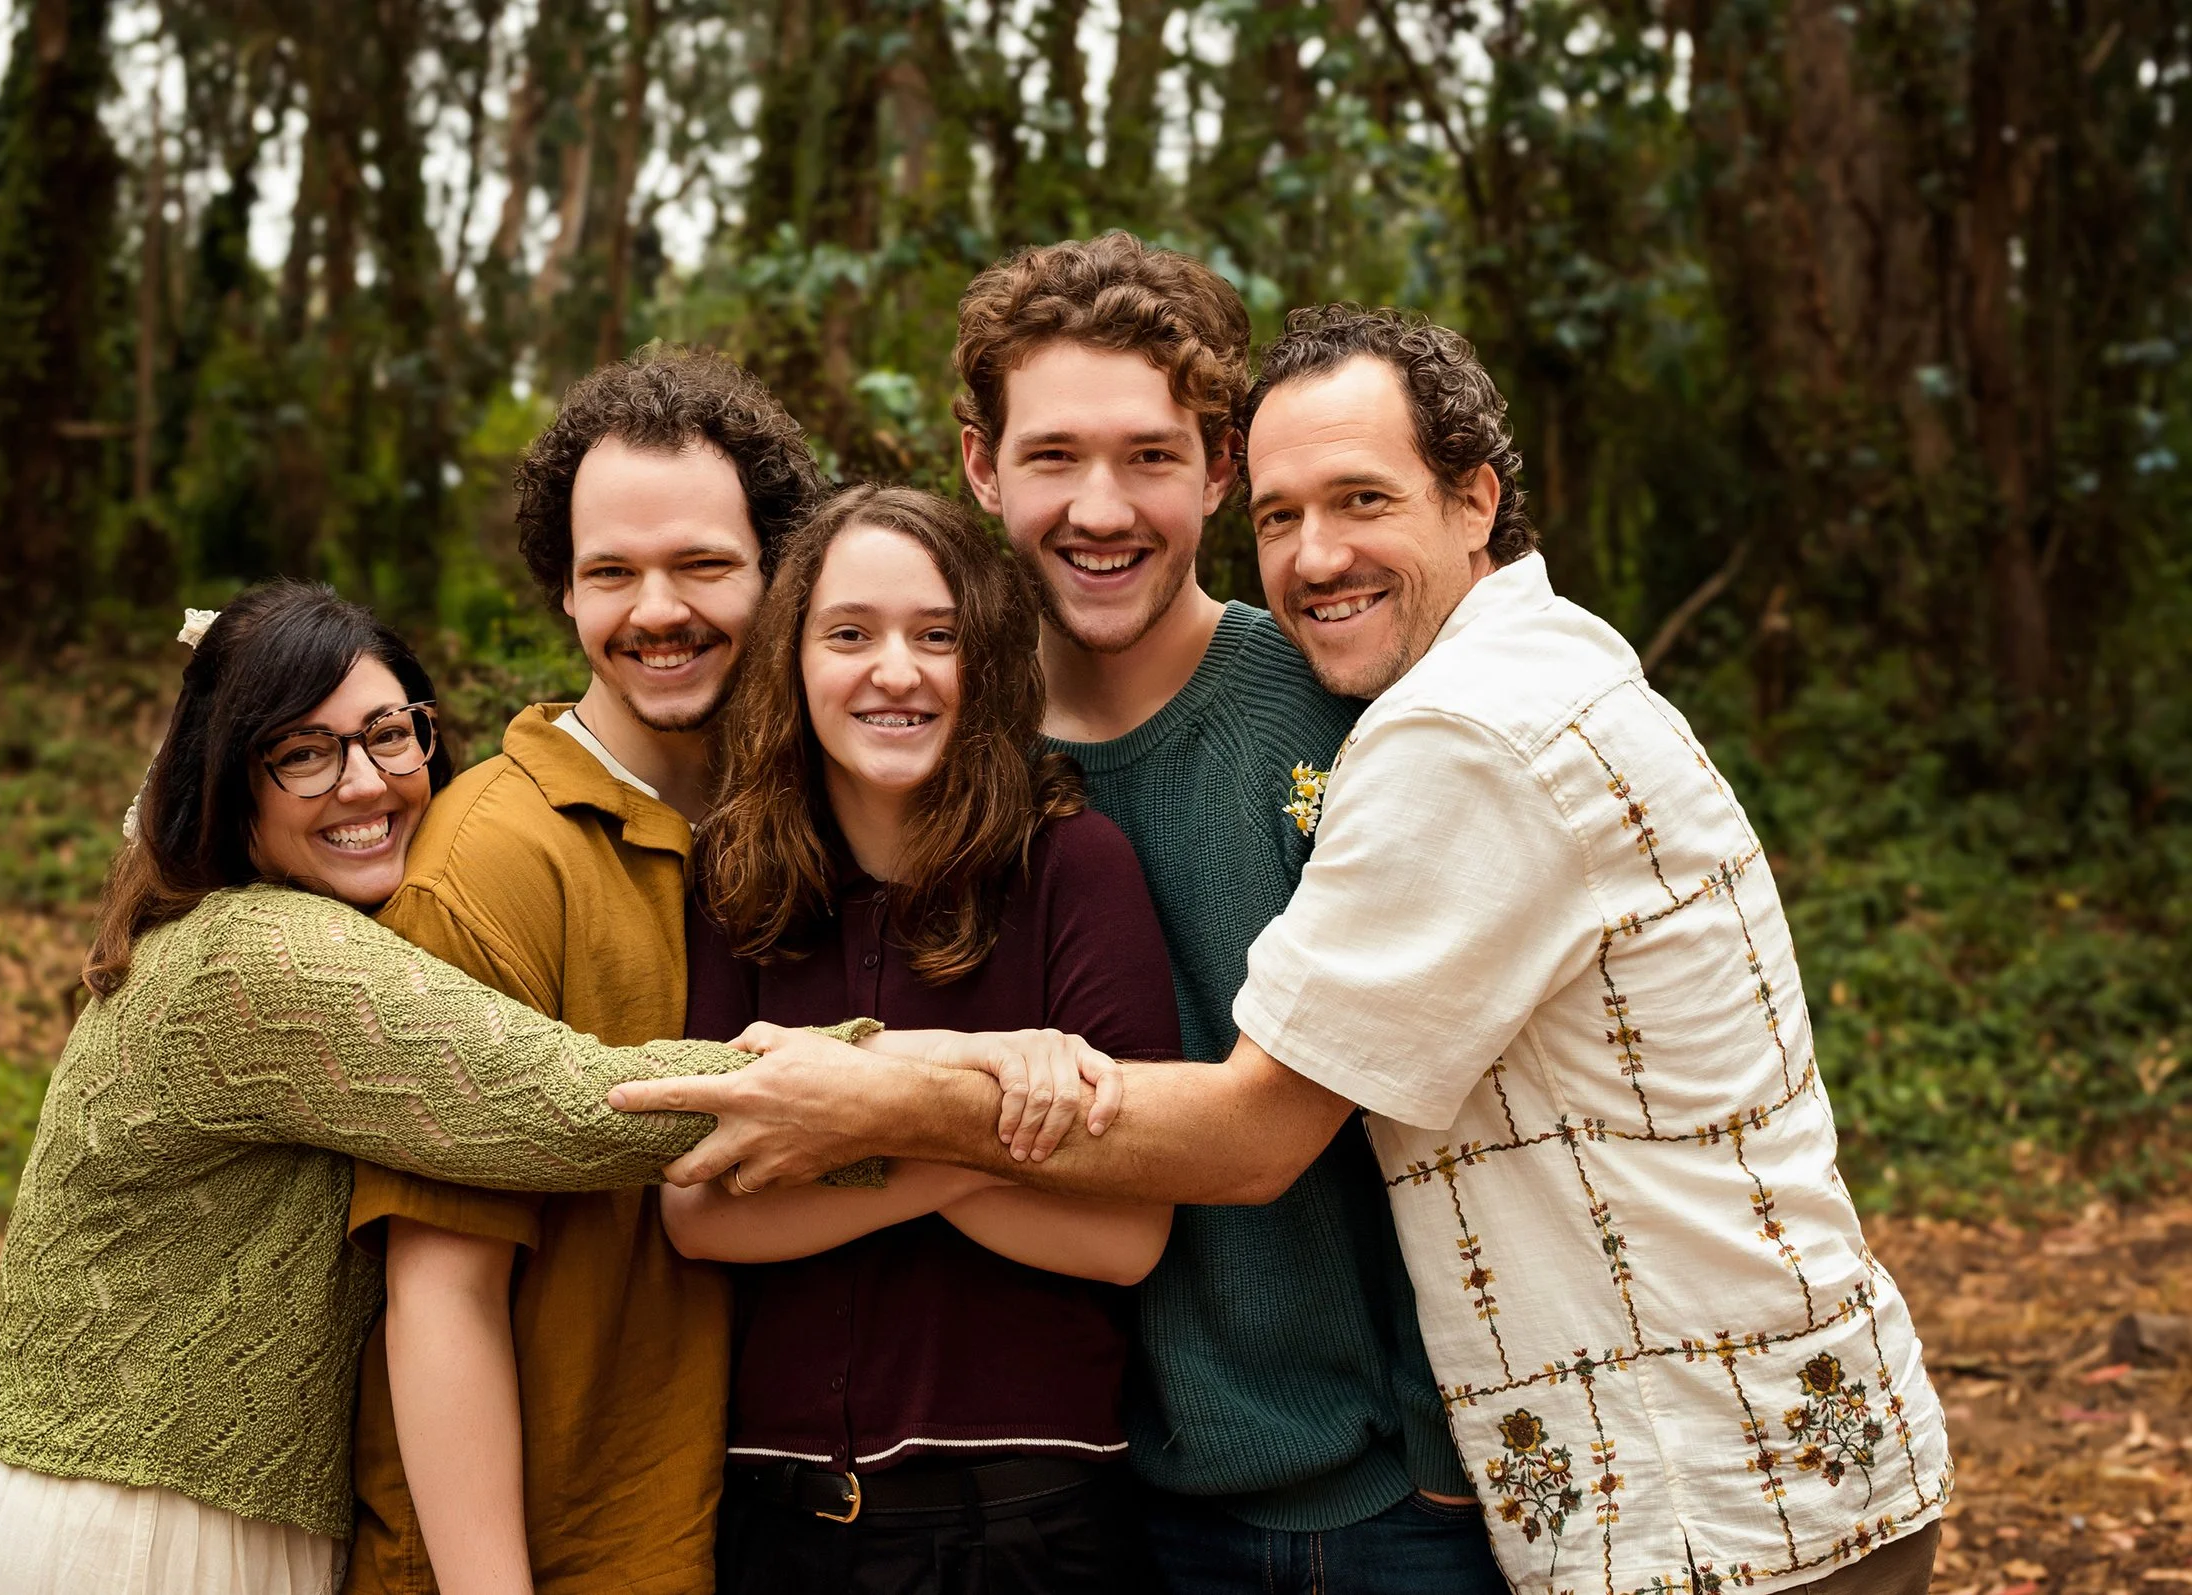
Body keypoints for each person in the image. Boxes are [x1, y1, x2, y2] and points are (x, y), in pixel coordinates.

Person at [616, 305, 1955, 1595]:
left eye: (1361, 499)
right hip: (1157, 1484)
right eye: (1288, 517)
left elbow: (1262, 1129)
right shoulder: (974, 765)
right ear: (983, 466)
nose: (1318, 555)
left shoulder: (1406, 721)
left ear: (1473, 500)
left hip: (1521, 1487)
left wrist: (892, 1097)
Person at [0, 580, 816, 1595]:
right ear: (228, 780)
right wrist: (873, 1078)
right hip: (138, 1526)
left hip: (155, 1498)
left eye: (390, 734)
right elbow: (563, 1103)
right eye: (304, 753)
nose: (365, 782)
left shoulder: (213, 928)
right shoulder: (262, 956)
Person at [955, 231, 1500, 1591]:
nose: (1100, 507)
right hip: (1087, 1492)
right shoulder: (946, 748)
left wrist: (1437, 1458)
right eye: (1051, 457)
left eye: (1150, 456)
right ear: (981, 468)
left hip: (1375, 1503)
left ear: (1218, 468)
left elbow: (1466, 1095)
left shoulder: (1331, 708)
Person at [342, 347, 829, 1595]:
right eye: (610, 571)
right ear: (562, 592)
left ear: (780, 571)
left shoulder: (811, 827)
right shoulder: (492, 856)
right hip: (549, 1554)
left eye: (703, 565)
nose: (654, 609)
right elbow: (437, 1287)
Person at [664, 484, 1178, 1594]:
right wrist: (982, 1080)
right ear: (793, 662)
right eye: (849, 633)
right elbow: (700, 1210)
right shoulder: (735, 881)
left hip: (1031, 1521)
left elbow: (1126, 1233)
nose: (893, 670)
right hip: (781, 1518)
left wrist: (854, 1112)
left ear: (984, 661)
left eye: (934, 636)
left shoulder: (1073, 868)